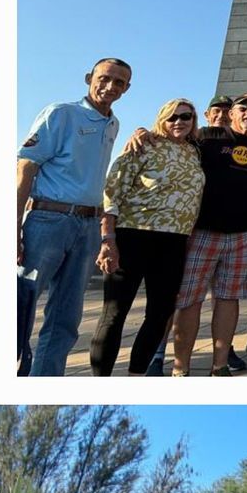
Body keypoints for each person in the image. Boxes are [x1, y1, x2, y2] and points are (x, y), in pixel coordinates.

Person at [18, 58, 132, 374]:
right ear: (88, 78)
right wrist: (13, 228)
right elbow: (26, 167)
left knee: (66, 318)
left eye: (119, 82)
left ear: (126, 89)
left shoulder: (113, 124)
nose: (110, 86)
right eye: (104, 78)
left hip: (87, 227)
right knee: (19, 308)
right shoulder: (61, 113)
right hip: (48, 221)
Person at [92, 96, 205, 376]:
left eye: (186, 116)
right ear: (162, 119)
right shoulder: (143, 144)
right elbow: (111, 194)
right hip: (133, 236)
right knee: (115, 314)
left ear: (193, 121)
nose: (179, 121)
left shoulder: (195, 151)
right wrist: (108, 240)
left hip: (174, 242)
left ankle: (137, 375)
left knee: (160, 314)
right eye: (172, 117)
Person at [169, 92, 247, 376]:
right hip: (204, 231)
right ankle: (181, 368)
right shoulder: (206, 138)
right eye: (243, 109)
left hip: (243, 234)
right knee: (189, 300)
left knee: (229, 299)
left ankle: (220, 365)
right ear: (231, 113)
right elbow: (173, 142)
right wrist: (145, 134)